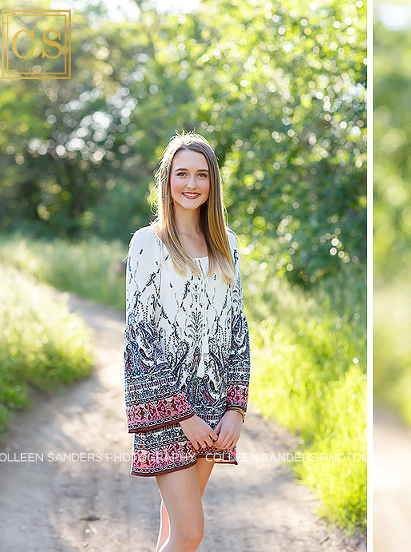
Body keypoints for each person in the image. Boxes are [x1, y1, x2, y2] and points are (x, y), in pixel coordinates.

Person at [124, 132, 250, 551]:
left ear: (212, 182)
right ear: (167, 181)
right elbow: (140, 339)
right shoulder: (149, 244)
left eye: (201, 174)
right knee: (191, 532)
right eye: (182, 174)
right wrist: (182, 416)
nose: (191, 184)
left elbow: (237, 331)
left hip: (214, 407)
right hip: (167, 411)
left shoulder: (226, 244)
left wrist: (236, 409)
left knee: (174, 525)